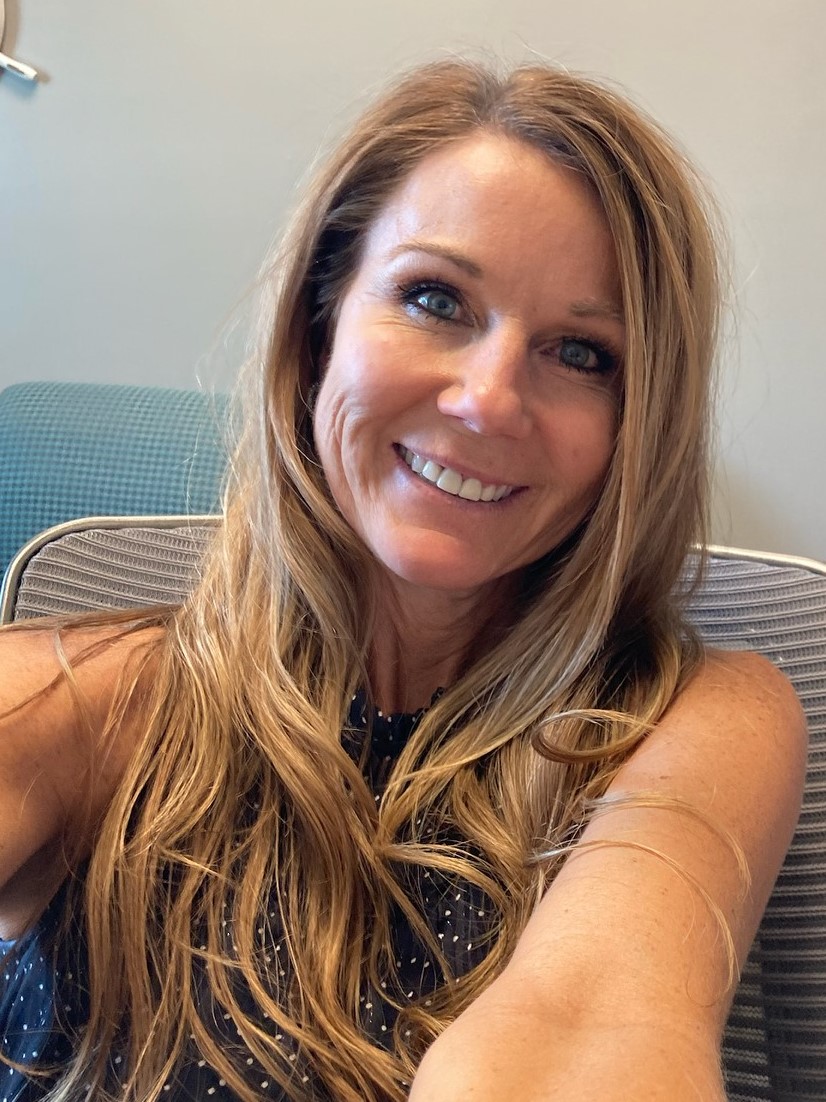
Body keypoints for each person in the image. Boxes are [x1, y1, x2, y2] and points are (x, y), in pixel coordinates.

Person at [0, 59, 807, 1102]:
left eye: (583, 352)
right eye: (435, 298)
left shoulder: (695, 720)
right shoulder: (91, 698)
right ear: (316, 329)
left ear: (634, 428)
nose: (488, 399)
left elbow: (591, 1024)